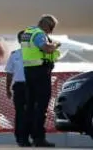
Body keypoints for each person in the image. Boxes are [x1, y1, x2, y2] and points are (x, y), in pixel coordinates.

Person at [22, 15, 61, 148]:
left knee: (30, 106)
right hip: (40, 72)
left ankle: (24, 138)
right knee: (41, 106)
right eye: (51, 28)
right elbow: (46, 48)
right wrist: (55, 45)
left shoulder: (28, 32)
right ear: (46, 25)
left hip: (29, 71)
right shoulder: (39, 34)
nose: (51, 31)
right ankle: (39, 138)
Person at [5, 30, 29, 147]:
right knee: (20, 113)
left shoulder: (37, 54)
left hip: (32, 87)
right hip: (19, 87)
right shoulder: (14, 55)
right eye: (22, 38)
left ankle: (32, 136)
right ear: (19, 41)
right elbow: (9, 73)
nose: (24, 40)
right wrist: (7, 89)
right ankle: (20, 138)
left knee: (32, 112)